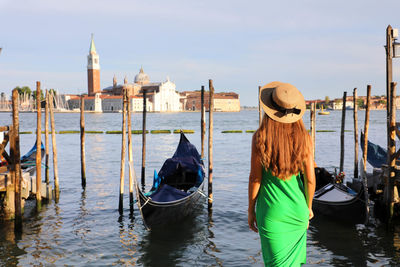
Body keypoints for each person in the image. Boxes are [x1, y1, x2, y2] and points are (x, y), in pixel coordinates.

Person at [248, 81, 316, 266]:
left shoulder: (260, 138)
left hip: (272, 214)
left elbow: (255, 179)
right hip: (298, 212)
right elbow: (310, 179)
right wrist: (308, 207)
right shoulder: (305, 138)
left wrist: (250, 210)